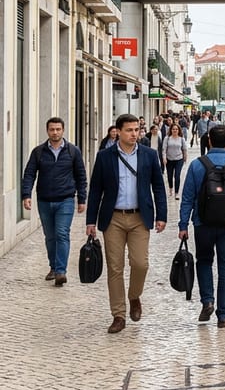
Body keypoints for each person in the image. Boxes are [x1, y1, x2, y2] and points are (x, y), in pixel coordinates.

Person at [85, 113, 168, 334]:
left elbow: (158, 187)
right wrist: (90, 221)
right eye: (129, 130)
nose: (134, 134)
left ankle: (134, 296)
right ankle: (118, 315)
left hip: (140, 217)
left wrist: (162, 215)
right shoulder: (105, 157)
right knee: (115, 268)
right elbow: (95, 191)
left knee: (141, 263)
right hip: (113, 218)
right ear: (118, 132)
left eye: (136, 130)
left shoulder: (149, 155)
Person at [178, 124, 225, 329]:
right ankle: (223, 315)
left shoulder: (197, 165)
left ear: (209, 141)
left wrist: (183, 224)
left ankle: (207, 301)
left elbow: (187, 198)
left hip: (202, 223)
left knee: (204, 261)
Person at [21, 117, 88, 287]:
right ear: (47, 131)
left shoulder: (73, 151)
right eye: (52, 129)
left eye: (58, 129)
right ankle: (53, 266)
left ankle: (60, 271)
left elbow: (81, 176)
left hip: (65, 200)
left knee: (61, 234)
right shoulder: (38, 152)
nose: (55, 132)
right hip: (44, 200)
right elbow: (29, 174)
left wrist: (82, 198)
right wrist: (26, 195)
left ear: (63, 130)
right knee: (50, 237)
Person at [163, 123, 189, 199]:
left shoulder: (181, 139)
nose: (175, 130)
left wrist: (185, 157)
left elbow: (184, 149)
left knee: (177, 176)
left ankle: (177, 193)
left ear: (179, 130)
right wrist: (164, 158)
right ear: (171, 130)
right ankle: (170, 188)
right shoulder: (167, 138)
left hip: (179, 159)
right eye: (173, 129)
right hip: (169, 159)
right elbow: (164, 149)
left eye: (176, 129)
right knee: (169, 175)